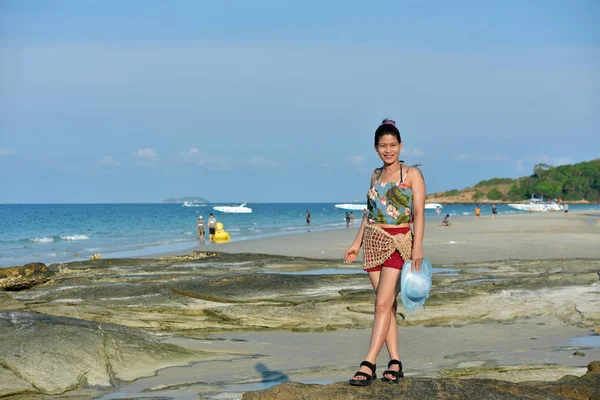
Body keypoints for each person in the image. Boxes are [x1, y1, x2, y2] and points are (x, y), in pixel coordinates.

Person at [344, 119, 425, 386]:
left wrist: (417, 249)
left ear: (401, 146)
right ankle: (395, 362)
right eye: (383, 146)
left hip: (399, 243)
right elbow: (369, 213)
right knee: (387, 305)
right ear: (376, 148)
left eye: (393, 145)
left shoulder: (411, 174)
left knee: (380, 304)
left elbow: (419, 215)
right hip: (373, 242)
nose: (388, 150)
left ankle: (368, 363)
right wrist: (356, 243)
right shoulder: (375, 175)